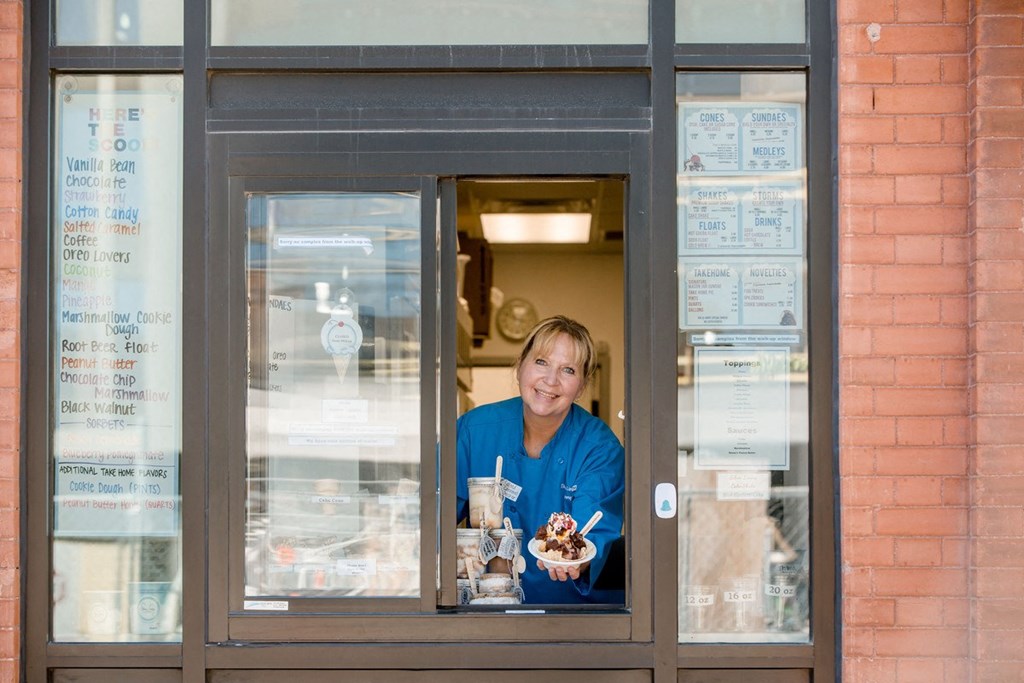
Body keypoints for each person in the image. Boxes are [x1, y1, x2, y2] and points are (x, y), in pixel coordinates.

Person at [456, 315, 625, 604]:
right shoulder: (474, 430)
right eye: (541, 362)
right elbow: (433, 516)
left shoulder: (598, 447)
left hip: (574, 618)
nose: (550, 380)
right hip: (488, 608)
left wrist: (573, 560)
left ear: (582, 385)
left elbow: (591, 534)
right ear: (520, 364)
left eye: (568, 370)